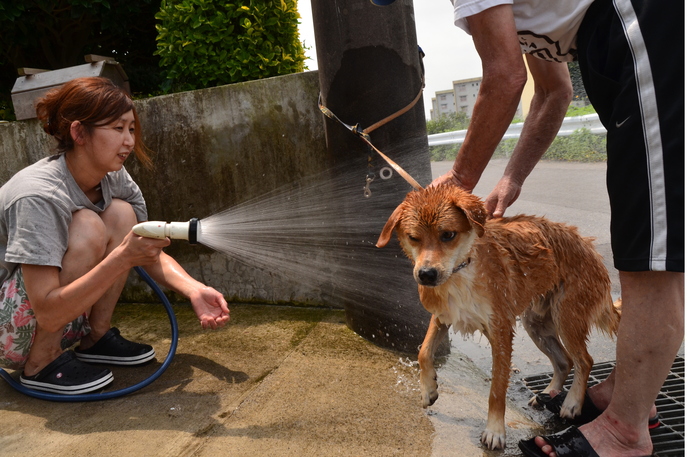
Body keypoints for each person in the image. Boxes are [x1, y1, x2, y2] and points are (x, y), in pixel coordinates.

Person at [435, 0, 684, 455]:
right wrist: (511, 179)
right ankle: (627, 395)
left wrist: (458, 182)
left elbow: (506, 78)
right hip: (607, 47)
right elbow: (553, 90)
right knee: (636, 233)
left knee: (648, 251)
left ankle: (625, 432)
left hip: (641, 25)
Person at [0, 77, 230, 395]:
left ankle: (95, 338)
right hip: (10, 329)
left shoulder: (113, 176)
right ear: (79, 132)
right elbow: (49, 311)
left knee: (123, 215)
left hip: (57, 316)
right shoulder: (39, 195)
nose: (129, 142)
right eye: (117, 129)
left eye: (131, 128)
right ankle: (41, 363)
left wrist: (193, 289)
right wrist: (122, 257)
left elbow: (142, 247)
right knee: (88, 225)